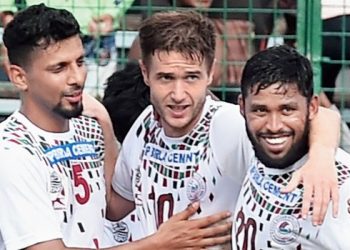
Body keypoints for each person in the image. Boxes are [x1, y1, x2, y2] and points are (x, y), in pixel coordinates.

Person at [0, 4, 235, 249]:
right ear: (18, 77)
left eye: (80, 62)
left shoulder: (89, 127)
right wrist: (158, 244)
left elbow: (113, 207)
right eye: (59, 68)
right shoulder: (11, 151)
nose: (77, 78)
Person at [107, 10, 341, 248]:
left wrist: (321, 155)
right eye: (166, 78)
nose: (178, 95)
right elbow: (115, 207)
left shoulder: (227, 125)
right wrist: (101, 125)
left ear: (210, 73)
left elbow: (319, 116)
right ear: (145, 73)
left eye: (191, 77)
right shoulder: (145, 124)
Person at [234, 45, 350, 248]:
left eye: (287, 110)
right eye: (260, 110)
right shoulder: (250, 141)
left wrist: (322, 157)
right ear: (242, 107)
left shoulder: (339, 187)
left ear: (312, 107)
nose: (274, 126)